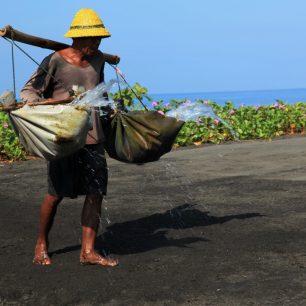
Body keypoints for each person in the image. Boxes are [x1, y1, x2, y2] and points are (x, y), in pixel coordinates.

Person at [20, 8, 119, 267]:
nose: (96, 44)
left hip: (93, 136)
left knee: (96, 192)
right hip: (64, 137)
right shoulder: (54, 60)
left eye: (99, 40)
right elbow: (29, 90)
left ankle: (88, 251)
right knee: (56, 193)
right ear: (77, 38)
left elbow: (101, 94)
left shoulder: (98, 61)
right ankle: (41, 243)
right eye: (92, 40)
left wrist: (110, 113)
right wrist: (41, 105)